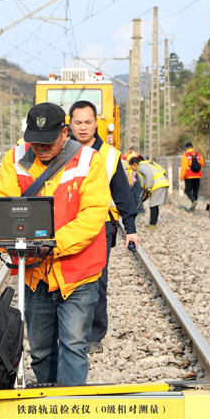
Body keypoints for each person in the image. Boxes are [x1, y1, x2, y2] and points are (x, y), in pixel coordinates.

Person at [0, 102, 111, 419]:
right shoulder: (15, 159)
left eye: (48, 141)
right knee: (41, 348)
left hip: (77, 272)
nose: (41, 148)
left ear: (64, 133)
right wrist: (12, 238)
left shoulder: (90, 161)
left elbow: (93, 214)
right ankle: (47, 410)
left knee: (73, 344)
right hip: (36, 274)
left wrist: (53, 245)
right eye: (35, 140)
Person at [68, 100, 139, 355]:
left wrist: (130, 228)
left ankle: (94, 335)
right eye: (78, 122)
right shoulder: (62, 151)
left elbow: (123, 195)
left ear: (96, 122)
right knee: (67, 279)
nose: (83, 127)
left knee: (97, 280)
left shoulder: (109, 154)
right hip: (68, 225)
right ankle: (69, 331)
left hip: (102, 226)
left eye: (88, 122)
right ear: (70, 123)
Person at [130, 156, 170, 229]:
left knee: (153, 205)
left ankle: (152, 225)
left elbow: (149, 175)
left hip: (157, 184)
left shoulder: (141, 166)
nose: (131, 169)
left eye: (131, 166)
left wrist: (149, 187)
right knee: (154, 204)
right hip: (160, 183)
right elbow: (162, 171)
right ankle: (153, 223)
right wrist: (145, 191)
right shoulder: (147, 164)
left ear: (134, 164)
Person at [181, 142, 204, 211]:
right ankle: (194, 206)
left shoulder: (185, 155)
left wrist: (181, 177)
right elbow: (202, 164)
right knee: (195, 191)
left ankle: (193, 200)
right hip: (198, 176)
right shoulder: (198, 155)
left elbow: (184, 168)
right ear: (192, 147)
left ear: (186, 148)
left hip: (189, 176)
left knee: (187, 190)